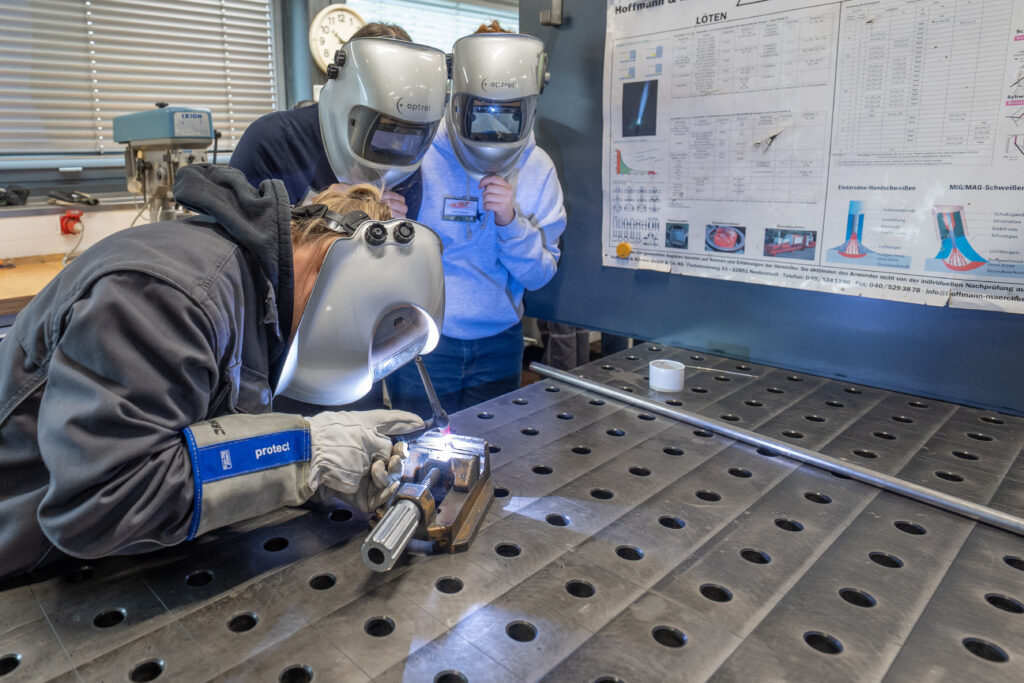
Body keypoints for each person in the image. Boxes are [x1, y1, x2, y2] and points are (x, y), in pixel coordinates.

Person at [0, 163, 446, 580]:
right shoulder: (172, 297)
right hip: (24, 569)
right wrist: (304, 455)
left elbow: (191, 438)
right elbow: (102, 503)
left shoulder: (257, 301)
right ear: (342, 267)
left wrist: (321, 479)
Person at [386, 30, 567, 417]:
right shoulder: (417, 152)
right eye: (481, 112)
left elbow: (539, 276)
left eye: (506, 115)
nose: (492, 129)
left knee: (493, 444)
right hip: (422, 337)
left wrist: (510, 223)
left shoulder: (537, 169)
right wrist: (385, 222)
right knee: (416, 443)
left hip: (499, 342)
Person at [230, 23, 443, 219]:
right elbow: (237, 232)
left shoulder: (408, 161)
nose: (394, 143)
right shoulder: (273, 140)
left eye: (405, 132)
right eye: (382, 125)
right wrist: (316, 214)